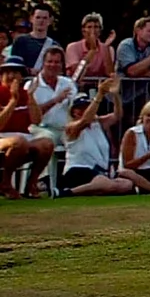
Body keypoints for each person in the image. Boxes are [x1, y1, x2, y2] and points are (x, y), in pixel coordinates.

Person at [60, 78, 132, 195]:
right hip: (78, 170)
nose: (86, 111)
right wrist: (99, 94)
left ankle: (93, 190)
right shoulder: (71, 128)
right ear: (74, 112)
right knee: (106, 184)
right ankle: (69, 192)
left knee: (127, 184)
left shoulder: (98, 123)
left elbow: (117, 115)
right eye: (81, 108)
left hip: (98, 172)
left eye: (87, 107)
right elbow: (85, 120)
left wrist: (115, 95)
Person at [1, 56, 57, 197]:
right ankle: (5, 183)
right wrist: (13, 101)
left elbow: (36, 120)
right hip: (3, 138)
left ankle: (31, 183)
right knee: (19, 141)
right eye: (7, 72)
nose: (11, 76)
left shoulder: (25, 94)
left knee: (47, 143)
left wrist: (31, 96)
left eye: (15, 72)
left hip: (24, 138)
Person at [64, 12, 117, 88]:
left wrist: (106, 48)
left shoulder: (108, 49)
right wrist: (92, 51)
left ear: (100, 31)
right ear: (83, 31)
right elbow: (77, 73)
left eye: (96, 27)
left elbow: (110, 73)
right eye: (89, 27)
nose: (93, 30)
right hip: (76, 88)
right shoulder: (72, 47)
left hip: (99, 89)